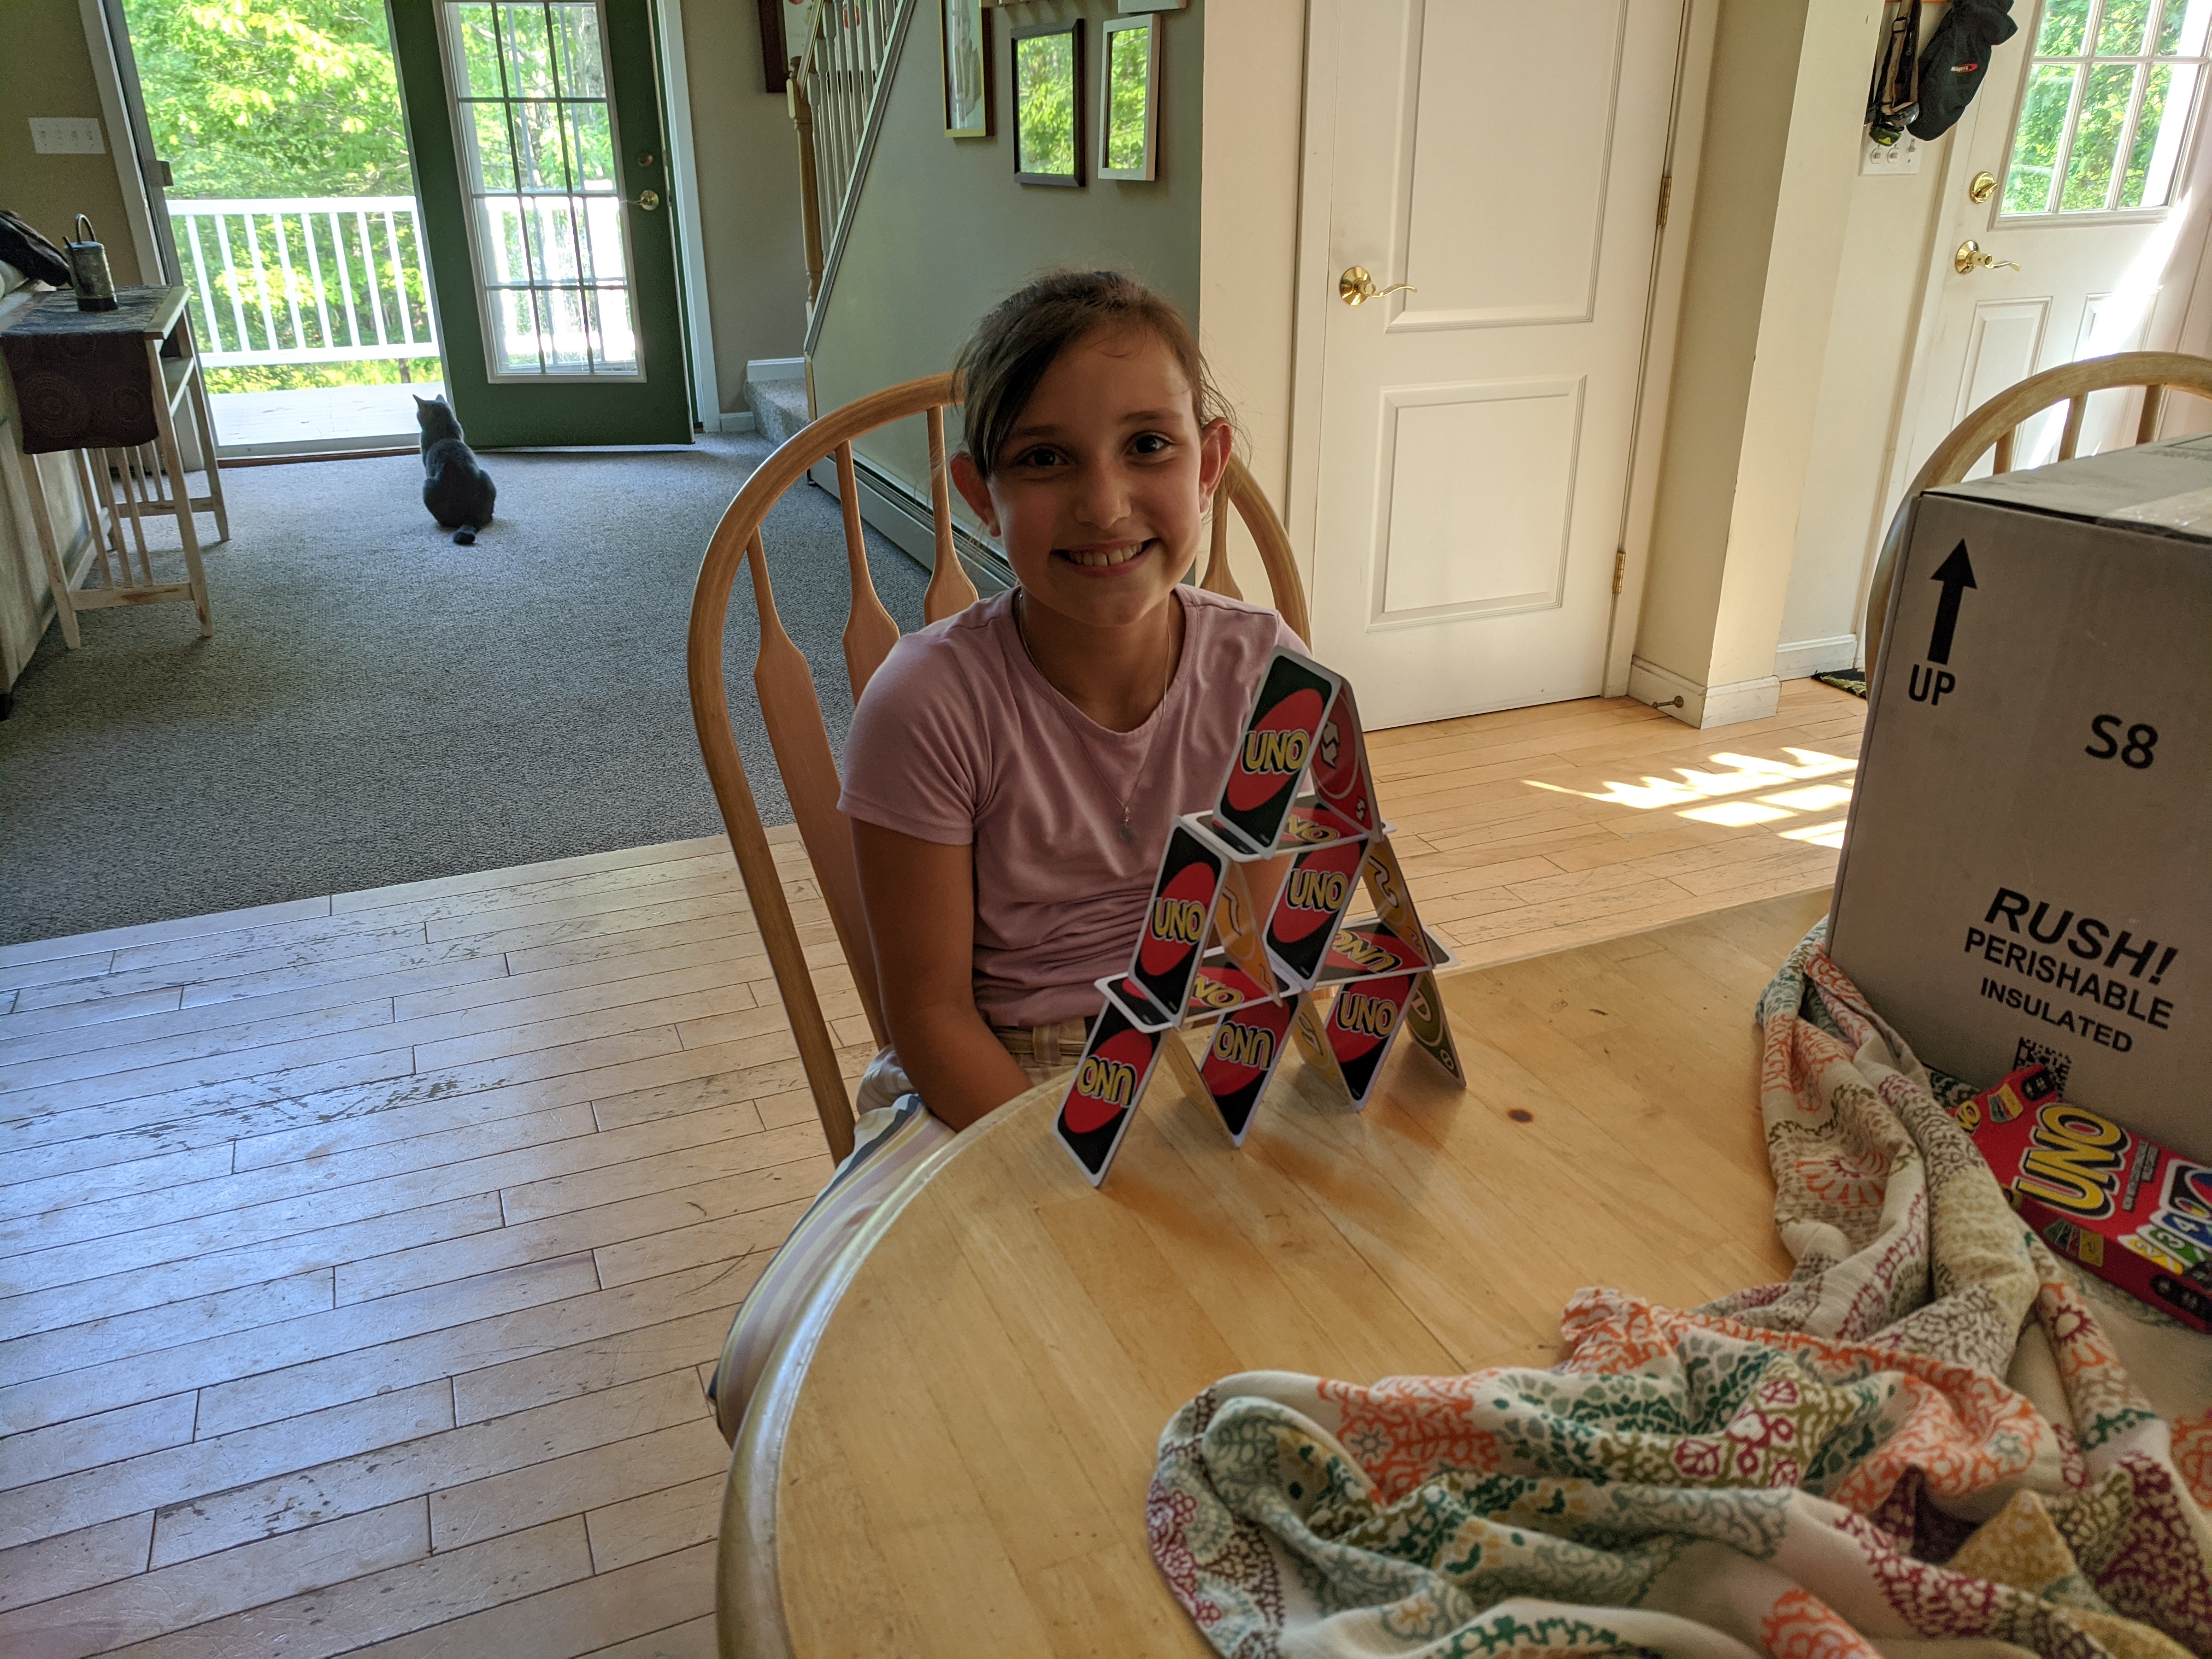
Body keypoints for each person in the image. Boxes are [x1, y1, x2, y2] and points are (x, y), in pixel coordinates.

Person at [709, 271, 1303, 1438]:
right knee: (775, 1381)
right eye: (1044, 460)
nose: (1104, 502)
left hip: (1197, 1056)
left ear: (1210, 463)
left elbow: (1264, 950)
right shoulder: (927, 700)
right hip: (984, 1083)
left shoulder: (1265, 667)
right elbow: (929, 1017)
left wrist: (1224, 1116)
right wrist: (1077, 1168)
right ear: (979, 494)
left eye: (1148, 445)